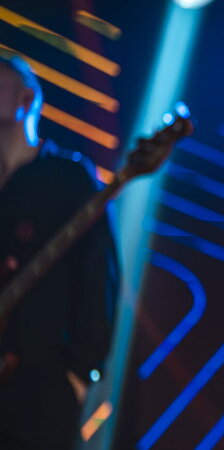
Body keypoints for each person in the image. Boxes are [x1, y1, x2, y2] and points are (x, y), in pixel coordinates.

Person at [0, 53, 118, 448]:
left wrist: (78, 376)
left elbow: (99, 276)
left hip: (41, 394)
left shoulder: (69, 178)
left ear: (25, 99)